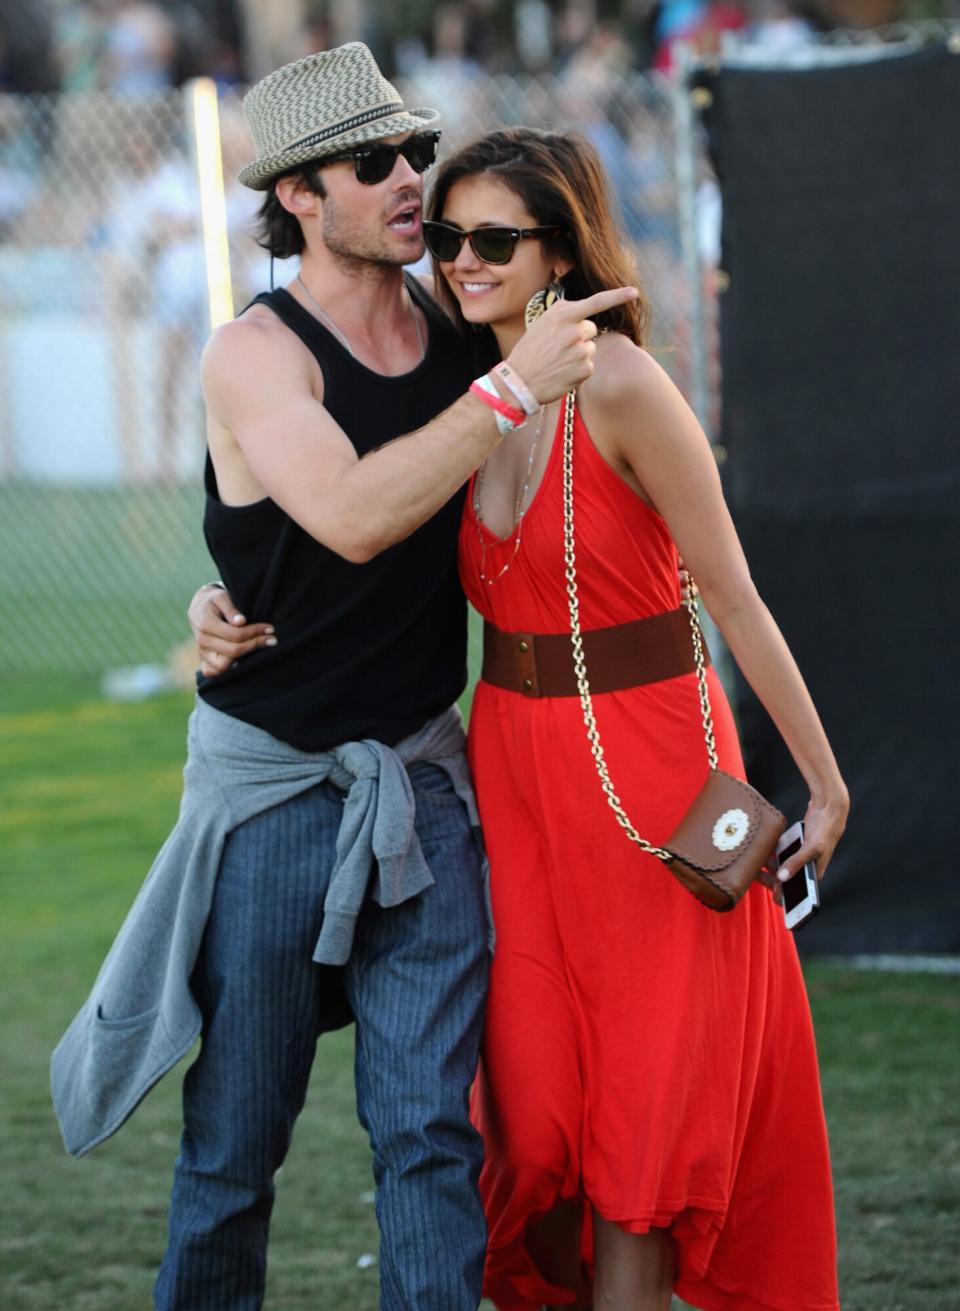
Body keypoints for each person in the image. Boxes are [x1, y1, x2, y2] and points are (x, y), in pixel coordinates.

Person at [195, 125, 849, 1311]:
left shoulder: (626, 385)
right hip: (510, 782)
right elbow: (338, 526)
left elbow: (736, 594)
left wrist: (823, 776)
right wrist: (219, 604)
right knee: (535, 1119)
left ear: (561, 252)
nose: (459, 261)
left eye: (493, 240)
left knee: (644, 1129)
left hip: (648, 770)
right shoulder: (454, 380)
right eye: (448, 238)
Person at [50, 46, 634, 1311]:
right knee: (233, 1151)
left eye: (415, 151)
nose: (412, 180)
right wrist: (507, 389)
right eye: (376, 164)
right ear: (300, 196)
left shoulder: (451, 325)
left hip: (422, 782)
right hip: (275, 800)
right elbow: (356, 517)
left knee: (431, 1138)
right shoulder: (254, 355)